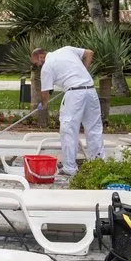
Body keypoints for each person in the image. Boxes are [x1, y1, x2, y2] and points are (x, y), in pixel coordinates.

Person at [31, 46, 105, 176]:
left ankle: (70, 168)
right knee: (94, 129)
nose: (37, 66)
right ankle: (98, 165)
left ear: (41, 56)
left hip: (74, 94)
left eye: (36, 63)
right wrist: (83, 72)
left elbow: (45, 92)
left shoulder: (47, 66)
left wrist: (43, 104)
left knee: (68, 130)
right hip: (90, 90)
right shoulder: (66, 49)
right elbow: (89, 53)